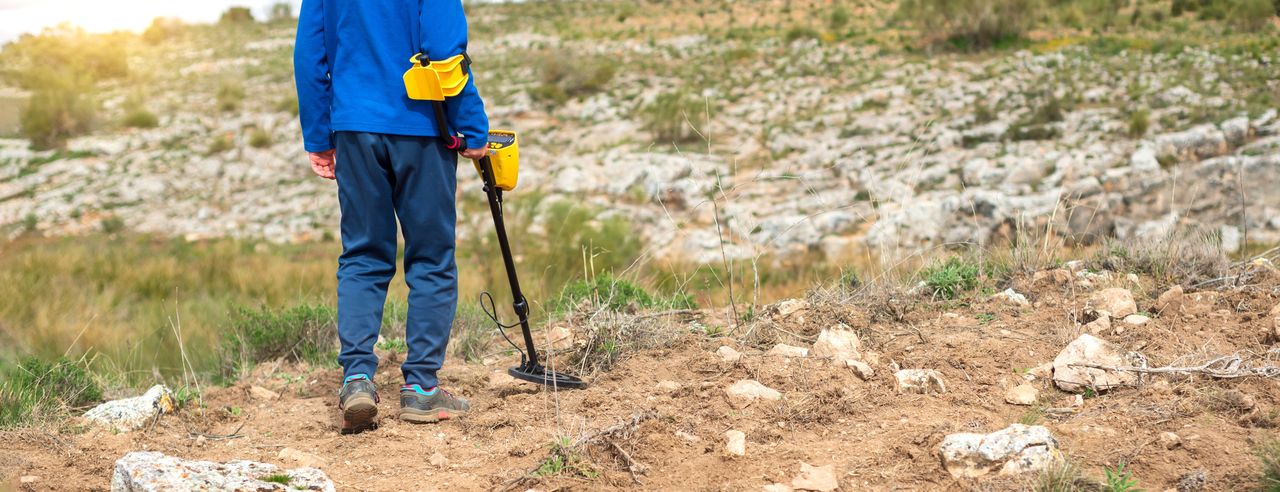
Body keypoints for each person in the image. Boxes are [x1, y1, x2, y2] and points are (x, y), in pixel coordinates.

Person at [293, 0, 488, 430]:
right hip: (422, 129)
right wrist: (472, 126)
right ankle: (420, 388)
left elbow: (309, 54)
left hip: (354, 129)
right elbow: (444, 53)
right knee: (432, 257)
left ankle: (358, 379)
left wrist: (318, 135)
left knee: (363, 255)